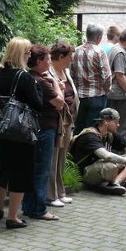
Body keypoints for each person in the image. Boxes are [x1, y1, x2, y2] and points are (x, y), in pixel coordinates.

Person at [0, 38, 43, 229]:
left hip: (3, 127)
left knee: (4, 166)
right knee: (21, 171)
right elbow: (37, 104)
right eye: (28, 53)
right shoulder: (24, 77)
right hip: (21, 130)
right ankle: (13, 217)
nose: (29, 56)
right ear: (20, 53)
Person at [22, 44, 64, 221]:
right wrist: (54, 81)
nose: (49, 62)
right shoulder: (43, 82)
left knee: (33, 168)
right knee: (42, 170)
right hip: (45, 128)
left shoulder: (29, 77)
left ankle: (28, 206)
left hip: (33, 128)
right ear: (39, 61)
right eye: (47, 59)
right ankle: (38, 209)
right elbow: (60, 103)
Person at [69, 108, 126, 195]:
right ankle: (110, 184)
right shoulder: (90, 136)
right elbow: (107, 156)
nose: (118, 124)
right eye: (116, 122)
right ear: (106, 121)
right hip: (83, 173)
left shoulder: (109, 134)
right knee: (111, 167)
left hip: (99, 166)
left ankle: (115, 183)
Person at [46, 41, 77, 208]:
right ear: (60, 57)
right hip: (56, 120)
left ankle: (60, 191)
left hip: (68, 120)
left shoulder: (66, 71)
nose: (71, 59)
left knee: (62, 158)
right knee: (53, 158)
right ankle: (51, 195)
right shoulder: (49, 71)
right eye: (69, 56)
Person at [71, 23, 112, 134]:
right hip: (97, 96)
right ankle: (89, 151)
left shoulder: (76, 51)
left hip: (79, 97)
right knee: (93, 130)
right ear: (98, 36)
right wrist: (106, 90)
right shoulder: (99, 51)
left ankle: (75, 150)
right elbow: (106, 76)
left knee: (79, 127)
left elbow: (72, 74)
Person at [106, 28, 126, 138]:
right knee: (121, 124)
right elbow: (120, 75)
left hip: (118, 93)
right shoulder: (120, 53)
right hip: (120, 94)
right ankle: (119, 149)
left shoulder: (118, 49)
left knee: (116, 122)